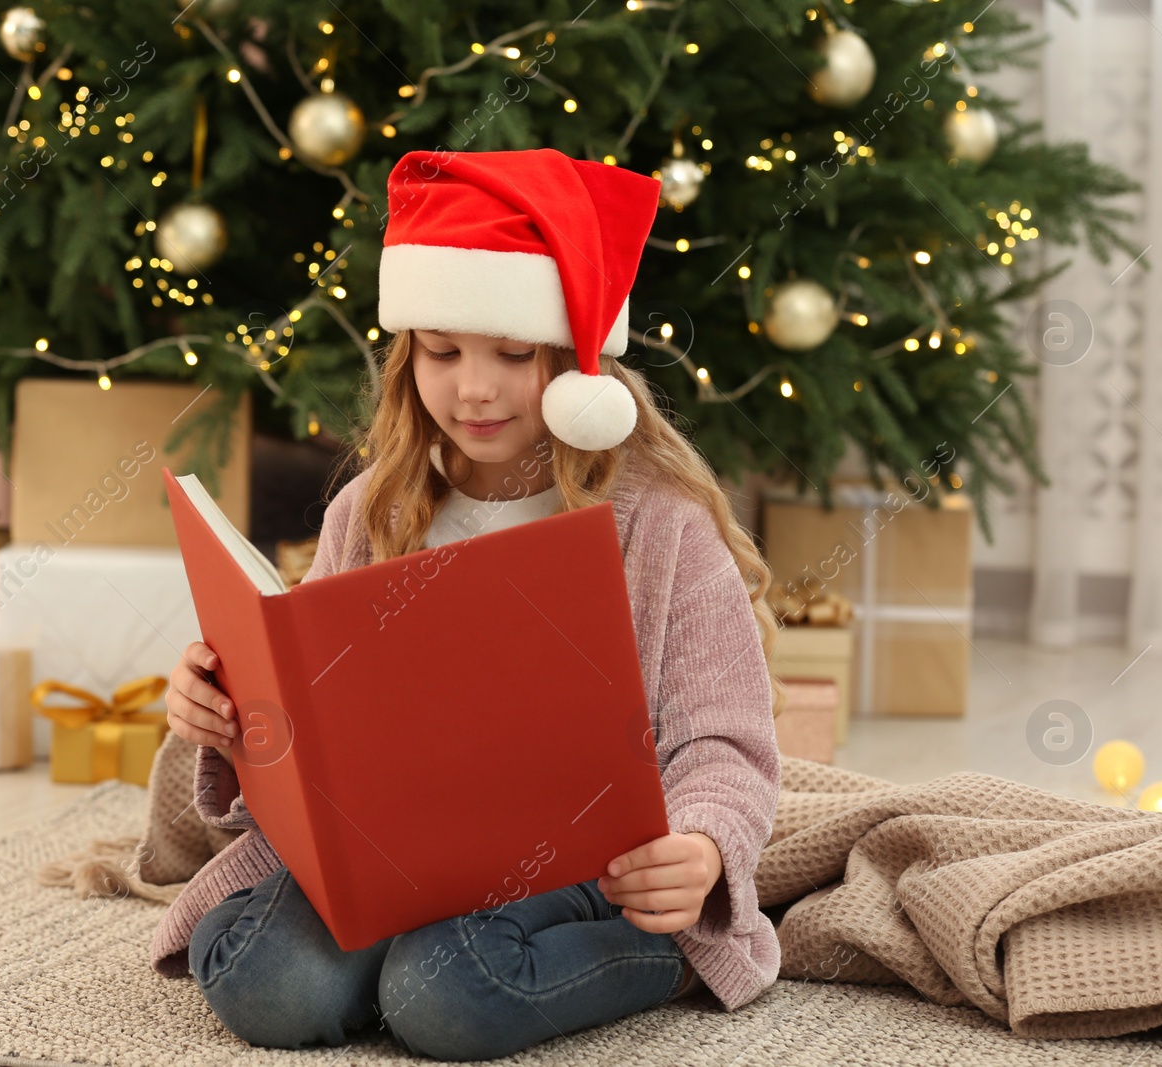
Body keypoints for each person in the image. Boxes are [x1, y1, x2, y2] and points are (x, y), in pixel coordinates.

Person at [154, 147, 784, 1061]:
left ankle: (661, 962)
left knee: (448, 993)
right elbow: (313, 724)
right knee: (264, 980)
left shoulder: (660, 529)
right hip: (396, 857)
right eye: (441, 353)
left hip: (579, 867)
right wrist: (220, 709)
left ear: (577, 362)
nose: (473, 388)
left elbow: (723, 737)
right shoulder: (369, 513)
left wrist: (704, 848)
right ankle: (404, 956)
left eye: (513, 354)